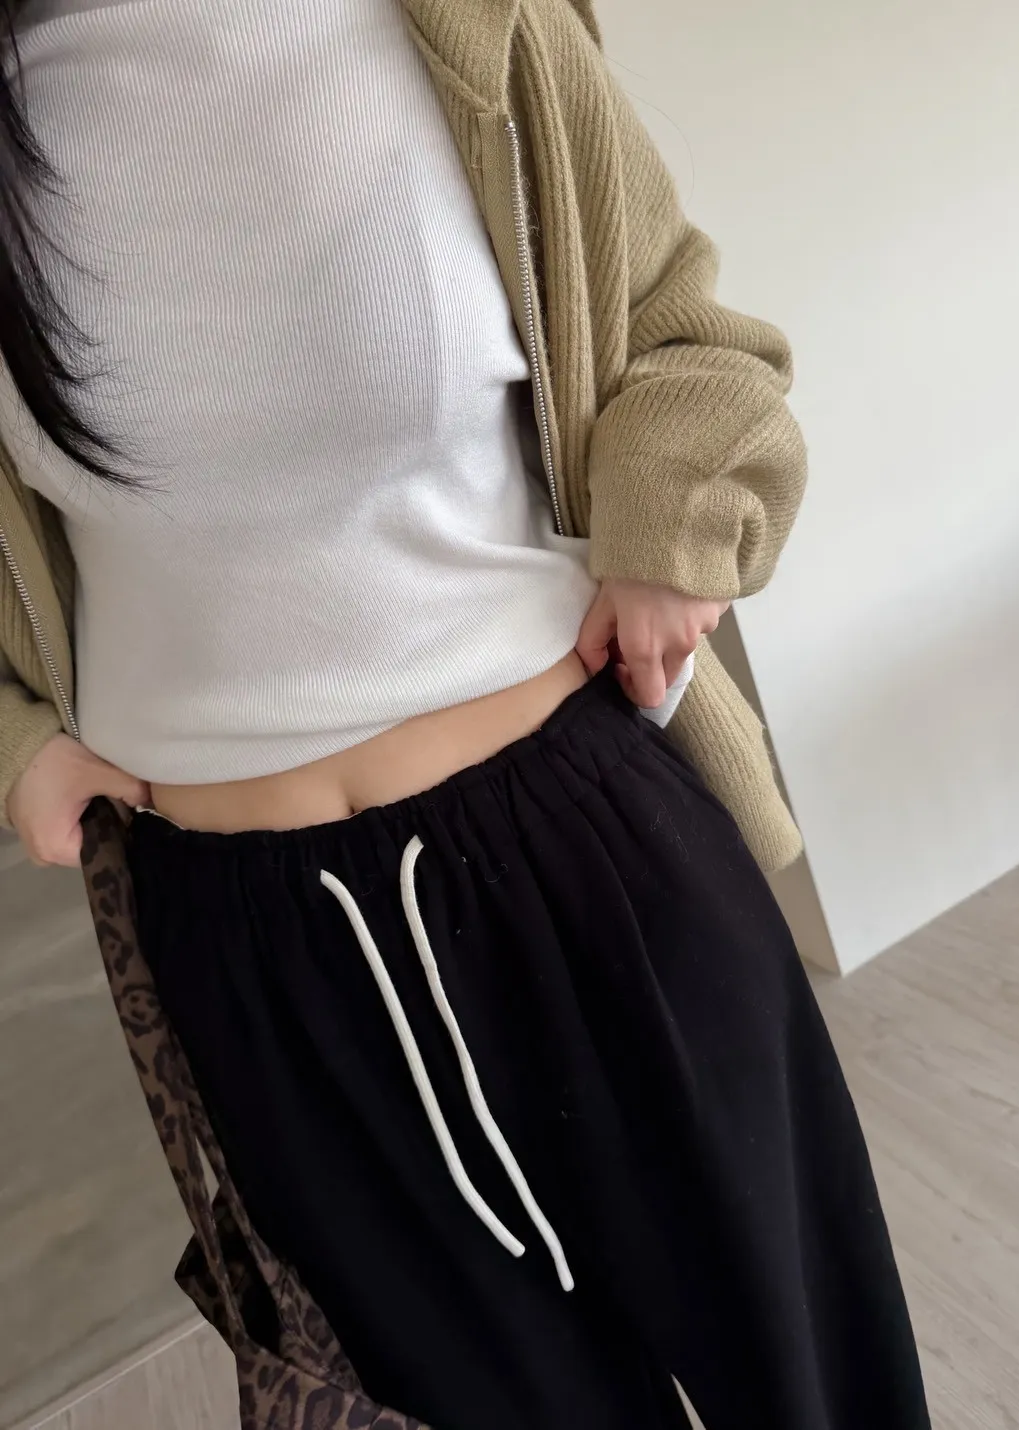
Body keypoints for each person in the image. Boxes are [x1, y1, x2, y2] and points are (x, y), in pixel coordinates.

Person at [0, 1, 931, 1426]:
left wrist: (672, 532)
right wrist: (17, 744)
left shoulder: (465, 25)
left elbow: (686, 333)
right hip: (251, 958)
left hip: (587, 856)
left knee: (808, 1381)